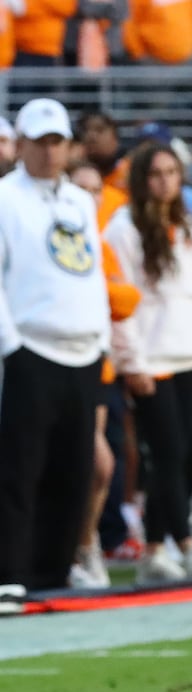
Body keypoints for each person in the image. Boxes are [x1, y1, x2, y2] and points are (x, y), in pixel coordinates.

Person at [0, 99, 111, 614]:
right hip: (31, 345)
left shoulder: (81, 202)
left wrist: (103, 337)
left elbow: (91, 272)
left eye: (57, 142)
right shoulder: (4, 198)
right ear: (20, 143)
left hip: (83, 348)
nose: (49, 152)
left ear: (69, 146)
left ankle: (54, 568)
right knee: (20, 466)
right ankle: (11, 573)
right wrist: (10, 346)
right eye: (40, 142)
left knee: (75, 466)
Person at [105, 142, 192, 582]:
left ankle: (155, 550)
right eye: (155, 173)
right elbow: (122, 302)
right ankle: (187, 543)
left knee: (179, 457)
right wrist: (132, 362)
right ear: (140, 179)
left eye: (171, 172)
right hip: (152, 358)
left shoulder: (183, 223)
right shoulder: (124, 228)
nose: (164, 182)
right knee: (167, 452)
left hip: (189, 355)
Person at [65, 159, 143, 590]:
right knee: (93, 463)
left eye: (97, 190)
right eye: (82, 189)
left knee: (102, 464)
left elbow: (128, 299)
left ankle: (84, 544)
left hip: (99, 365)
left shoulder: (101, 245)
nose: (92, 198)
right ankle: (77, 546)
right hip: (57, 361)